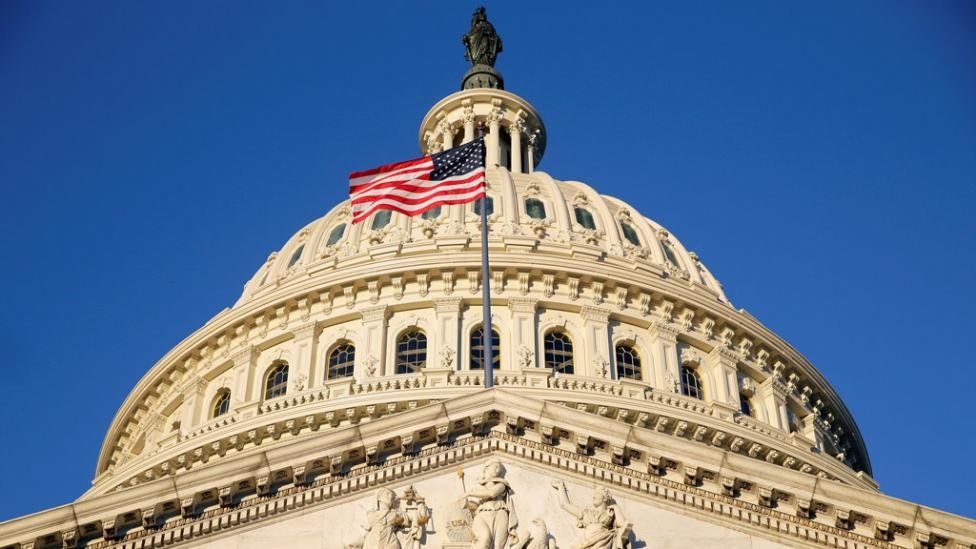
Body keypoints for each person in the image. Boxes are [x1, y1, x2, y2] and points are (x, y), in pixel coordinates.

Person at [552, 481, 632, 549]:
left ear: (604, 498)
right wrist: (561, 488)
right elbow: (565, 505)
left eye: (597, 494)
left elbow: (623, 524)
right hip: (586, 540)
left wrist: (616, 508)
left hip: (603, 541)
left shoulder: (610, 513)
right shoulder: (587, 512)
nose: (593, 496)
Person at [465, 460, 519, 549]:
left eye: (499, 468)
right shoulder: (478, 486)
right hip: (482, 515)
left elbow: (492, 493)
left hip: (499, 514)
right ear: (486, 468)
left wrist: (469, 493)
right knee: (484, 540)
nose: (498, 470)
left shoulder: (502, 484)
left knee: (498, 546)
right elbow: (474, 506)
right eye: (495, 467)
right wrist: (466, 503)